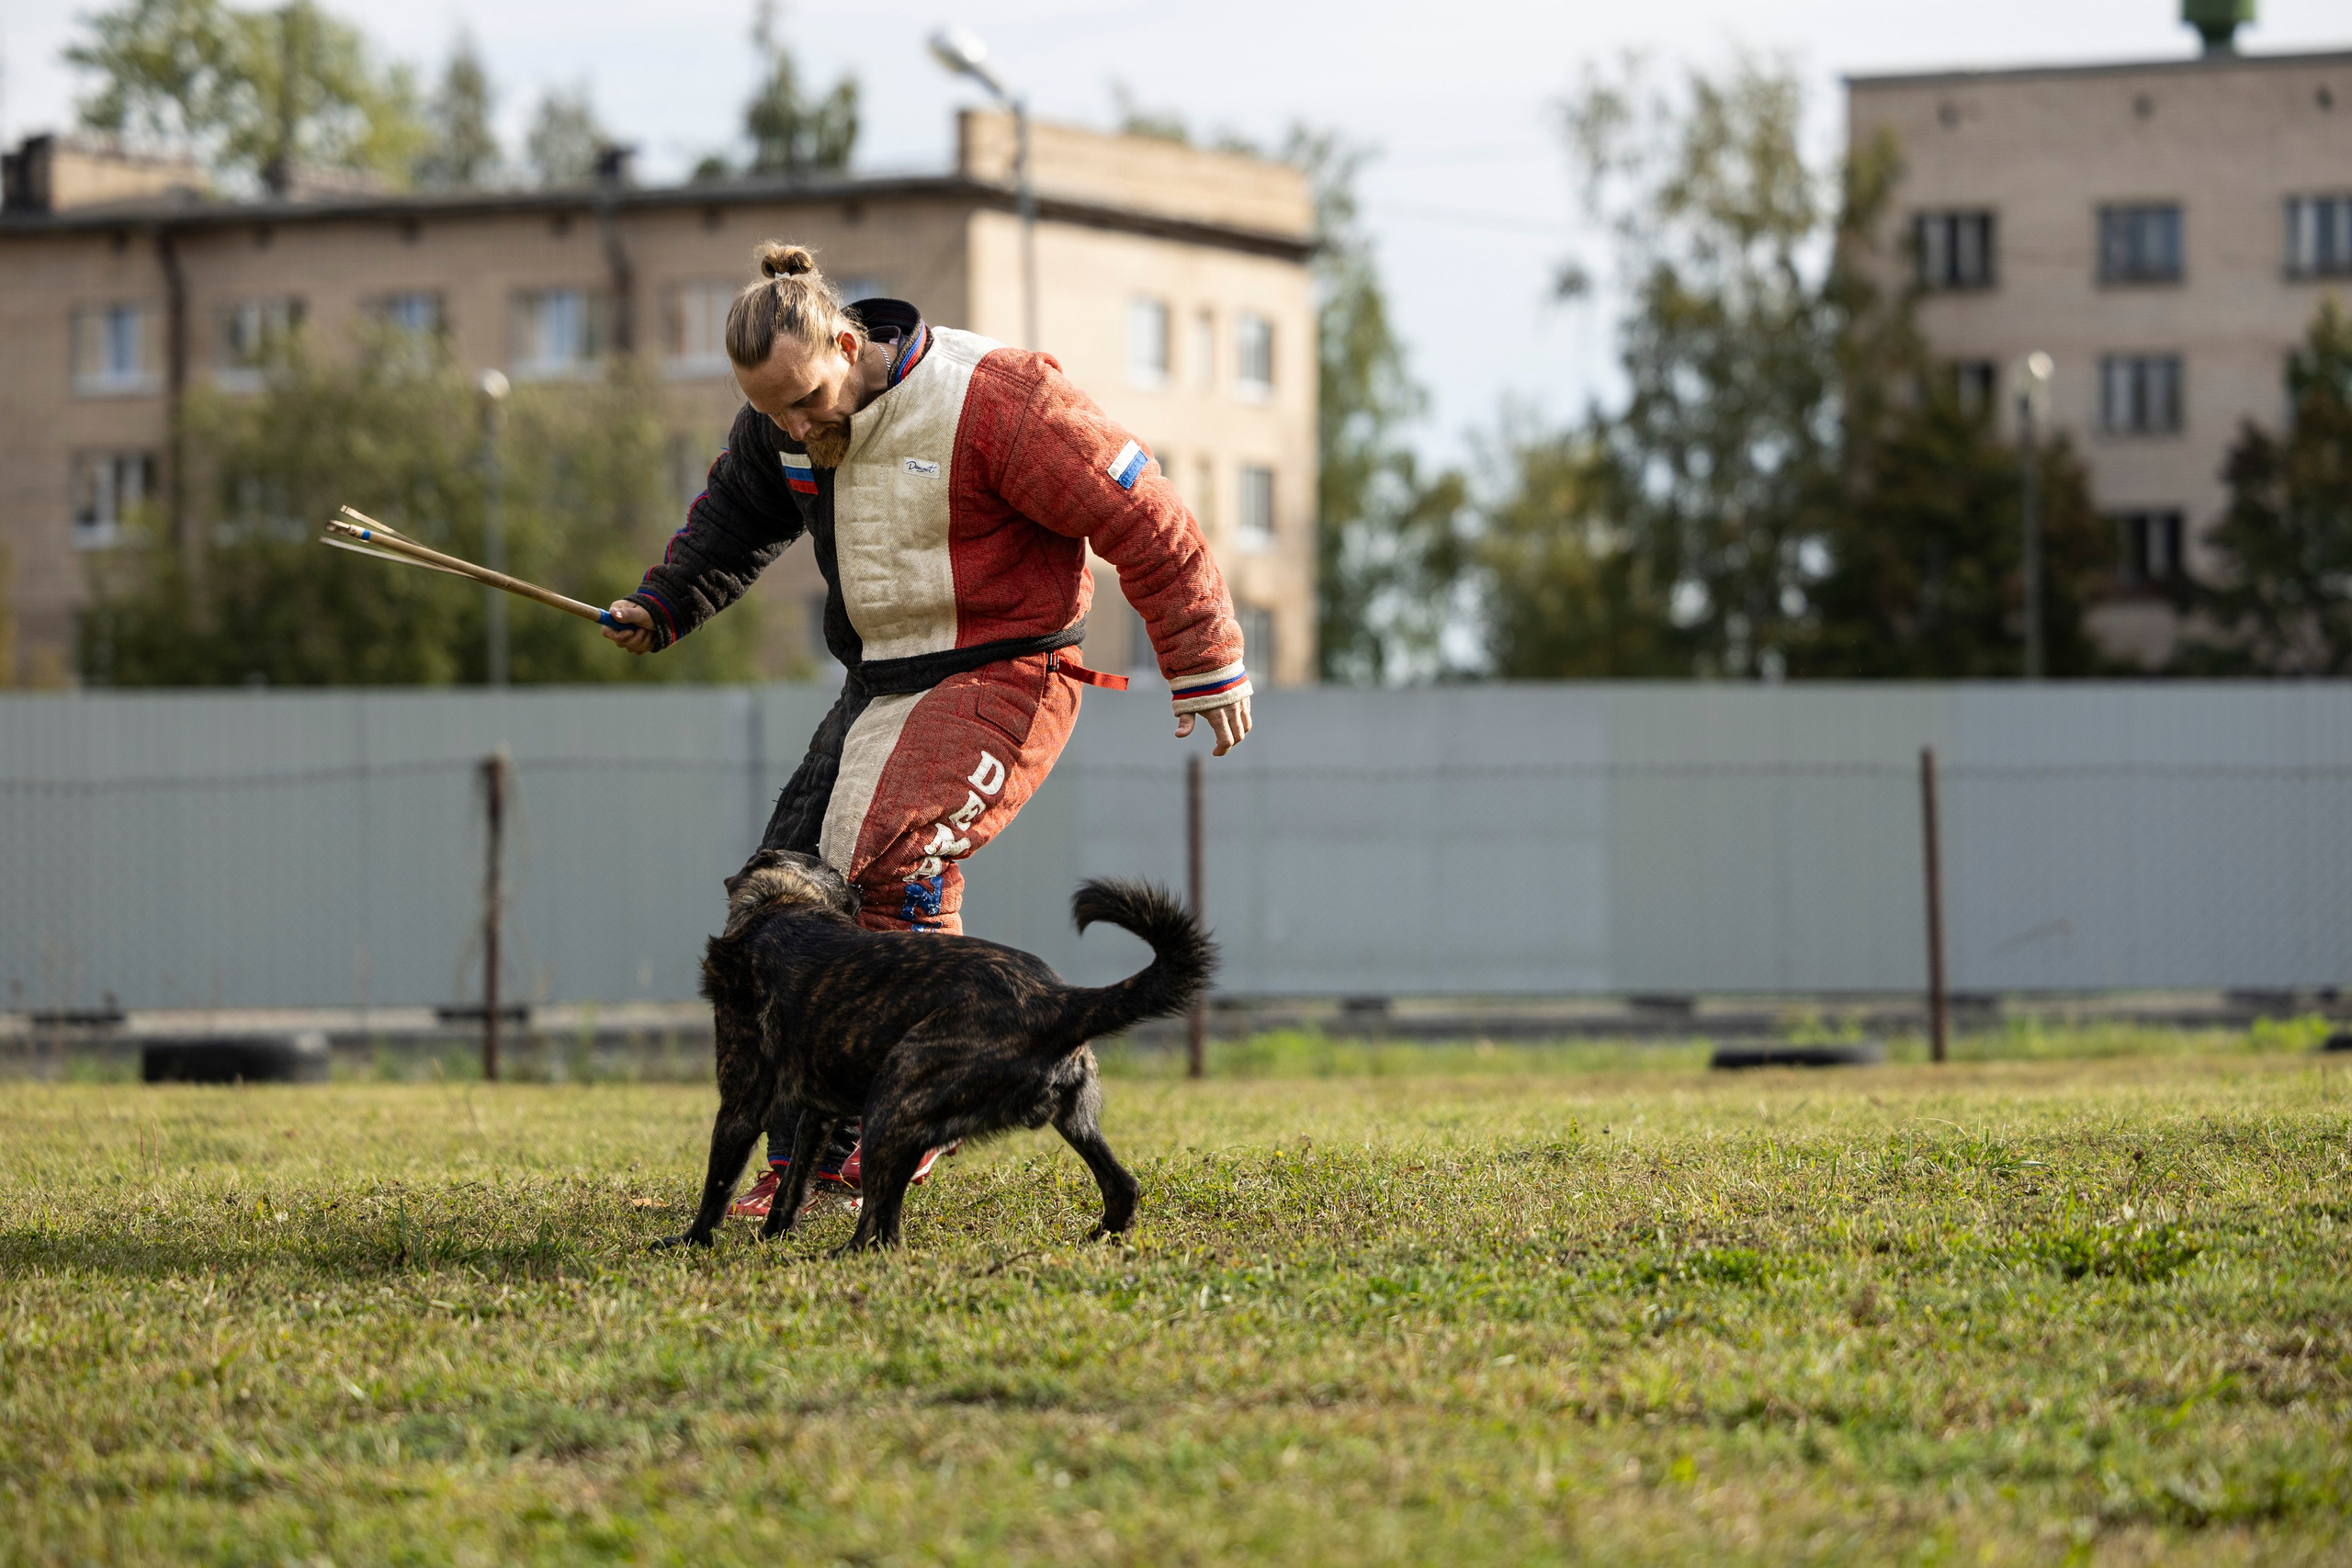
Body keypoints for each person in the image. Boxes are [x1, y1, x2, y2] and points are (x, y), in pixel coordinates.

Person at [603, 242, 1254, 1216]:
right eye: (771, 410)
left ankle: (902, 1123)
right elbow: (733, 520)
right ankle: (807, 1162)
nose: (794, 424)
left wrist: (1203, 656)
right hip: (881, 682)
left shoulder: (997, 398)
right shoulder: (781, 421)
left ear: (847, 340)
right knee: (780, 906)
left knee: (882, 862)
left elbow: (1140, 509)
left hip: (1008, 666)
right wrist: (663, 605)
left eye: (807, 398)